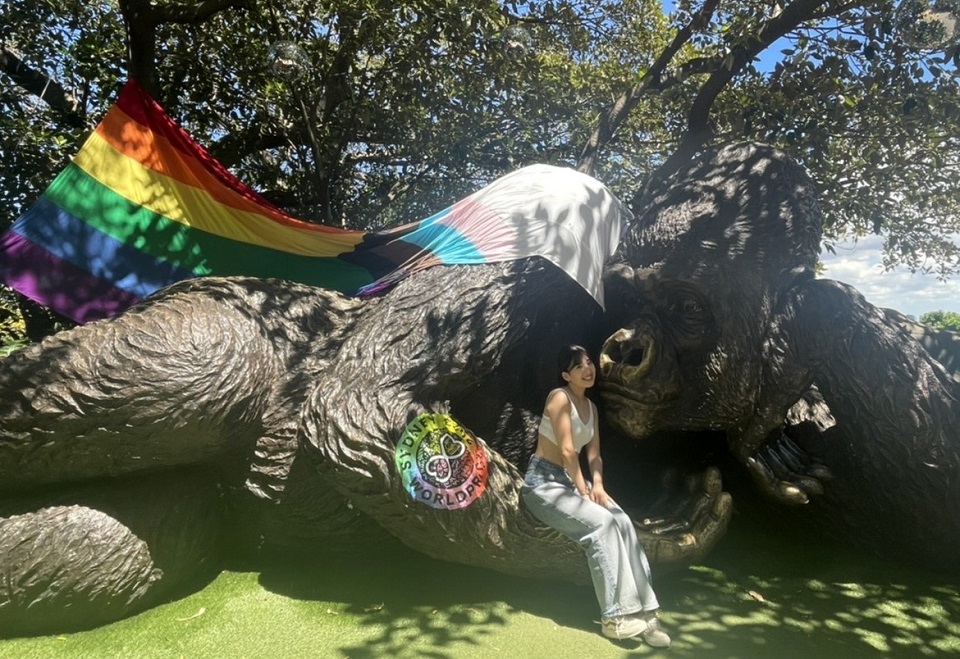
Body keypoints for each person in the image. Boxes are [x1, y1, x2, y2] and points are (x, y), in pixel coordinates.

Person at [521, 345, 671, 646]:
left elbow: (594, 456)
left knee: (623, 522)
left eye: (589, 362)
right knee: (602, 524)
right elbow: (566, 450)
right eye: (579, 366)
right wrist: (582, 489)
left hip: (571, 480)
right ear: (567, 375)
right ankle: (615, 618)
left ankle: (646, 614)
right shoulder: (559, 397)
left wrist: (598, 485)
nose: (588, 369)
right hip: (542, 485)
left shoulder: (591, 408)